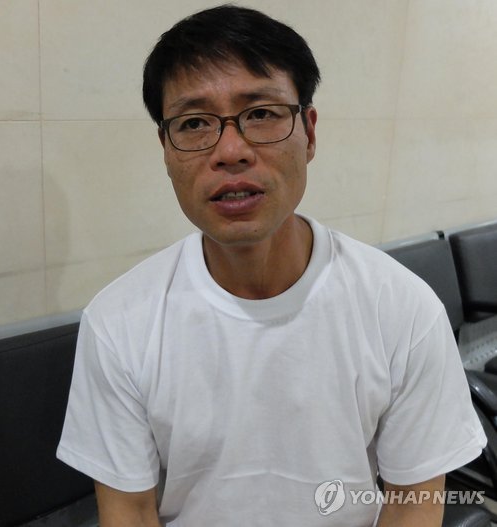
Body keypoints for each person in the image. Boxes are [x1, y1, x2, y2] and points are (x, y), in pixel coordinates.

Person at [57, 5, 486, 526]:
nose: (230, 151)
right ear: (166, 151)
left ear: (309, 133)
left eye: (261, 113)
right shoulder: (119, 323)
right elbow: (129, 512)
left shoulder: (402, 308)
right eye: (194, 123)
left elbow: (411, 503)